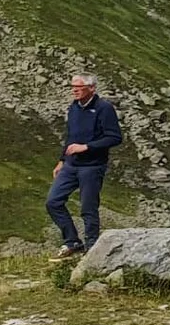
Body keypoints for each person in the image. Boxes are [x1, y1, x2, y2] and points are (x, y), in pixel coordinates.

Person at [47, 74, 123, 258]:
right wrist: (62, 160)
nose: (74, 90)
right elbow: (71, 136)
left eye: (79, 87)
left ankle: (91, 248)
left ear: (91, 88)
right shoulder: (73, 108)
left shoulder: (103, 108)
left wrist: (87, 147)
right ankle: (72, 241)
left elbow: (115, 137)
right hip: (71, 165)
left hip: (92, 166)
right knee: (53, 201)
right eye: (73, 86)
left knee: (88, 207)